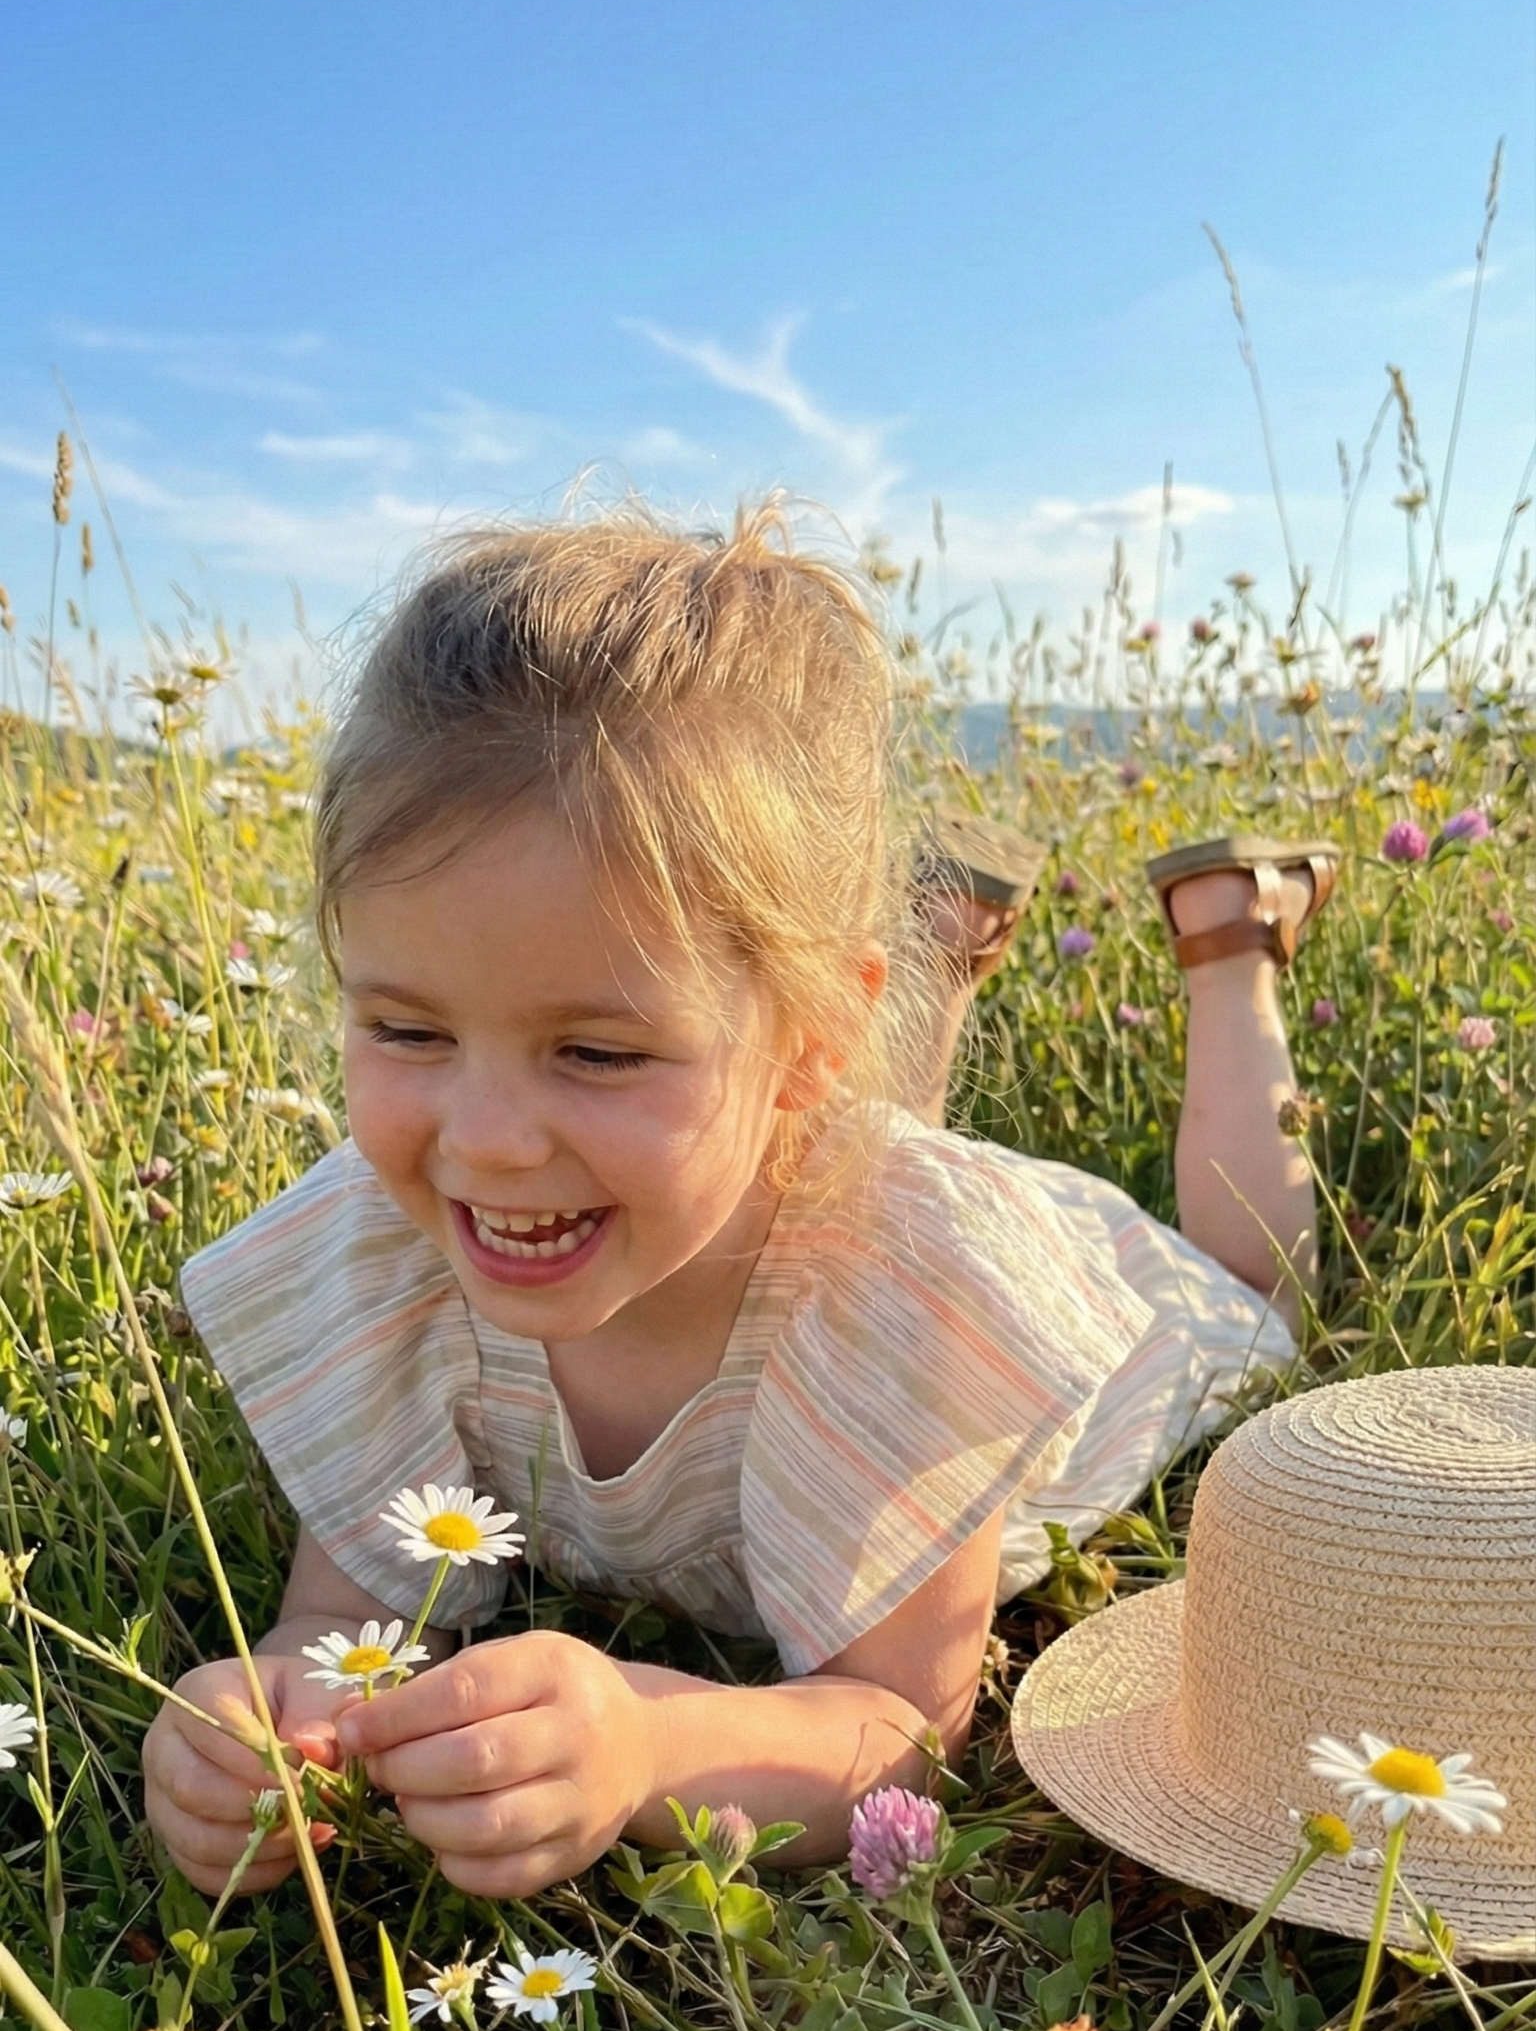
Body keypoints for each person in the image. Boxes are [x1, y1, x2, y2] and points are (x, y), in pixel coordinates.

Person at [142, 505, 1337, 1902]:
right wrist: (257, 1719)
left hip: (1114, 1320)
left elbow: (895, 1727)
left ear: (813, 1040)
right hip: (792, 1150)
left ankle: (1232, 939)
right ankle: (935, 950)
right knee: (750, 1157)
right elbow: (341, 1619)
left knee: (1260, 1289)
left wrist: (643, 1747)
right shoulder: (381, 1258)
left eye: (595, 1050)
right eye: (407, 1031)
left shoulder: (923, 1298)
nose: (486, 1142)